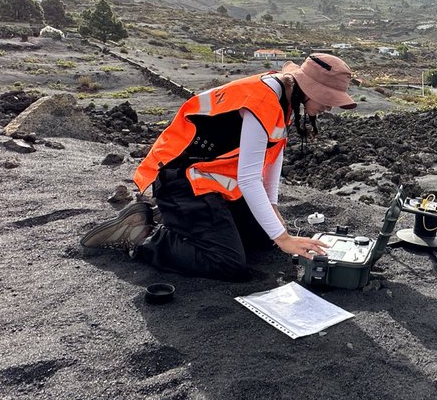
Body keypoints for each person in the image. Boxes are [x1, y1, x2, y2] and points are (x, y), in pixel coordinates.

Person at [80, 53, 357, 280]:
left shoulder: (284, 96)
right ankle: (143, 236)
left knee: (264, 237)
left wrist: (273, 211)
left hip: (209, 181)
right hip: (180, 181)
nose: (329, 107)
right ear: (306, 87)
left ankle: (177, 219)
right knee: (228, 262)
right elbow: (248, 179)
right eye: (327, 98)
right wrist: (284, 238)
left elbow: (274, 157)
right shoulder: (262, 100)